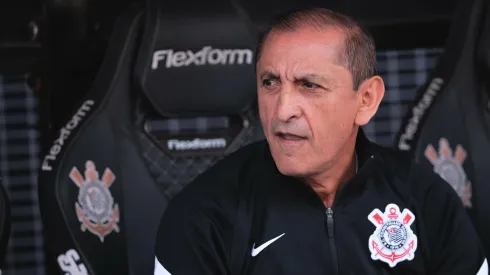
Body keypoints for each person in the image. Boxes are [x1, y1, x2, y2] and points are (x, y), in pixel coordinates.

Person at [153, 7, 488, 275]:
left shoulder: (426, 200)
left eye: (309, 85)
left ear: (367, 99)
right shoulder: (204, 215)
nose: (282, 110)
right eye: (270, 82)